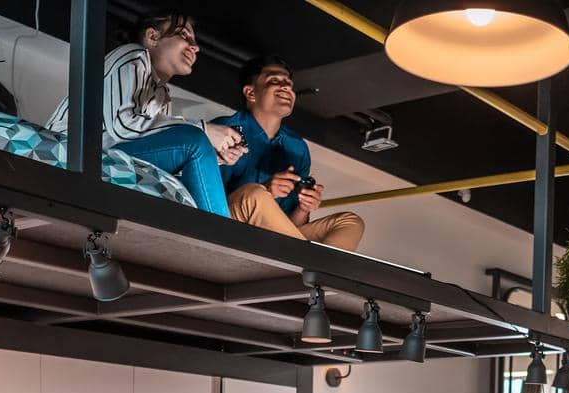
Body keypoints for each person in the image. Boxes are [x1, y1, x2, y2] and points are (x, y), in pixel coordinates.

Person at [46, 11, 244, 217]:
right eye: (184, 35)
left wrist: (212, 154)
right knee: (194, 141)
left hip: (107, 156)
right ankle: (224, 241)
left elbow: (165, 160)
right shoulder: (132, 55)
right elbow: (124, 125)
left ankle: (214, 237)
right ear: (153, 37)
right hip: (69, 157)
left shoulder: (162, 95)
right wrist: (204, 131)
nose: (196, 47)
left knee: (196, 146)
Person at [212, 56, 366, 250]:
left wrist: (303, 207)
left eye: (289, 84)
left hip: (276, 240)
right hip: (227, 228)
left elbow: (293, 226)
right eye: (275, 81)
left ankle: (309, 267)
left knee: (350, 222)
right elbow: (206, 202)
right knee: (255, 194)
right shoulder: (224, 130)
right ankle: (309, 267)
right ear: (251, 93)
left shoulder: (297, 147)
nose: (286, 87)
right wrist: (267, 190)